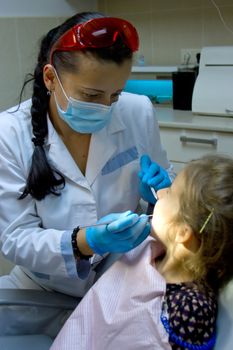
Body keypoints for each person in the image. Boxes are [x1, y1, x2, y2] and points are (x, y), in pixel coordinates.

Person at [0, 11, 174, 332]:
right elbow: (14, 238)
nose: (107, 107)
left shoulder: (138, 111)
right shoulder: (8, 133)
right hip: (40, 289)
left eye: (116, 94)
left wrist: (161, 193)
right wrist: (85, 241)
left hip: (119, 278)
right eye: (91, 96)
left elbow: (167, 180)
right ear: (51, 79)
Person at [51, 154, 233, 350]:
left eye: (170, 192)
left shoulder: (190, 309)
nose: (160, 193)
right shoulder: (155, 249)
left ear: (182, 233)